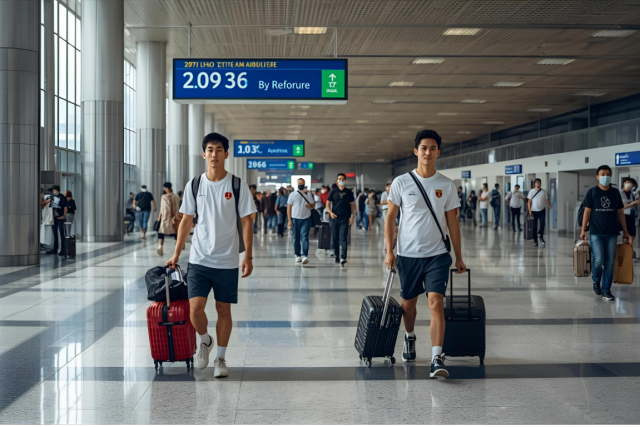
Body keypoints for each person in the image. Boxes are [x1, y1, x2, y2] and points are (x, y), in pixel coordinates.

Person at [166, 132, 256, 377]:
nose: (214, 154)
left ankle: (221, 359)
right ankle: (205, 341)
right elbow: (186, 221)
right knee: (195, 309)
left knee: (223, 310)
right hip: (199, 259)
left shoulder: (237, 185)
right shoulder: (195, 184)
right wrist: (176, 253)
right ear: (203, 153)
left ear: (226, 154)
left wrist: (248, 256)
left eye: (219, 149)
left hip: (227, 260)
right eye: (210, 149)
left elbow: (247, 222)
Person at [385, 129, 466, 379]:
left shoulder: (446, 184)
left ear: (438, 152)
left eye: (432, 148)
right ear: (416, 151)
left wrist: (459, 256)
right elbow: (390, 218)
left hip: (437, 255)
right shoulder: (401, 182)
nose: (428, 152)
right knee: (408, 305)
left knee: (436, 303)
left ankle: (436, 357)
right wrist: (390, 251)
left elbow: (453, 222)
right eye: (423, 148)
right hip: (408, 255)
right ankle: (409, 338)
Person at [580, 165, 629, 302]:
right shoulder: (592, 192)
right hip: (596, 232)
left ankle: (606, 289)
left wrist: (625, 231)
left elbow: (620, 213)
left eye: (607, 174)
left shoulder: (614, 193)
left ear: (611, 176)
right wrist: (583, 230)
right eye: (602, 174)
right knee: (599, 259)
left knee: (609, 262)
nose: (605, 176)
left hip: (612, 232)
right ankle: (596, 280)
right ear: (597, 176)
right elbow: (587, 212)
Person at [325, 173, 355, 267]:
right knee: (335, 238)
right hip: (335, 218)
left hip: (345, 218)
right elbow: (327, 204)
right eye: (339, 178)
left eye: (342, 178)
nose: (341, 180)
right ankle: (337, 256)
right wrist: (330, 213)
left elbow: (352, 205)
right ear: (337, 180)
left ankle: (343, 257)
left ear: (345, 180)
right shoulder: (333, 192)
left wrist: (352, 216)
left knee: (343, 238)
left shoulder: (349, 192)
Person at [287, 178, 315, 265]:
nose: (301, 184)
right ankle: (297, 255)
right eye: (299, 183)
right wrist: (289, 220)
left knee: (305, 236)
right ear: (297, 184)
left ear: (305, 183)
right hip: (295, 218)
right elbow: (289, 207)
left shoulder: (308, 193)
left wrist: (309, 202)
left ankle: (305, 255)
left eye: (302, 183)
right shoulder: (292, 194)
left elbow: (313, 205)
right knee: (296, 238)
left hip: (306, 218)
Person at [156, 182, 182, 256]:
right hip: (174, 218)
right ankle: (178, 248)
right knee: (176, 234)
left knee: (161, 233)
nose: (164, 189)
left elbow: (162, 209)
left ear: (167, 188)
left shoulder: (163, 197)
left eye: (164, 188)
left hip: (165, 218)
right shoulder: (176, 196)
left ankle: (160, 246)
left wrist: (159, 217)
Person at [527, 178, 552, 247]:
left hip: (542, 211)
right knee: (534, 227)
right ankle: (535, 240)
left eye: (539, 182)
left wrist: (549, 205)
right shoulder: (531, 191)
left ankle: (541, 236)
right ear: (535, 184)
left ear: (540, 183)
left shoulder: (544, 192)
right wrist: (530, 211)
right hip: (534, 211)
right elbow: (529, 202)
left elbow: (546, 200)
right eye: (536, 182)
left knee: (542, 224)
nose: (538, 183)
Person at [620, 177, 640, 255]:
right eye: (627, 182)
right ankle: (624, 250)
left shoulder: (632, 194)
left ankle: (629, 249)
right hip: (622, 216)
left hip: (631, 216)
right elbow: (620, 207)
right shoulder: (619, 193)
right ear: (624, 183)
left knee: (632, 234)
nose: (629, 184)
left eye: (631, 183)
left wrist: (633, 203)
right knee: (624, 234)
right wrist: (632, 203)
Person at [46, 185, 68, 256]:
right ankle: (55, 249)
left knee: (62, 233)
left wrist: (64, 216)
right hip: (53, 218)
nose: (53, 191)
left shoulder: (63, 197)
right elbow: (47, 203)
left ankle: (63, 249)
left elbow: (65, 207)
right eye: (53, 190)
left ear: (57, 190)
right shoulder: (52, 197)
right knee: (55, 234)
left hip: (60, 217)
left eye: (54, 190)